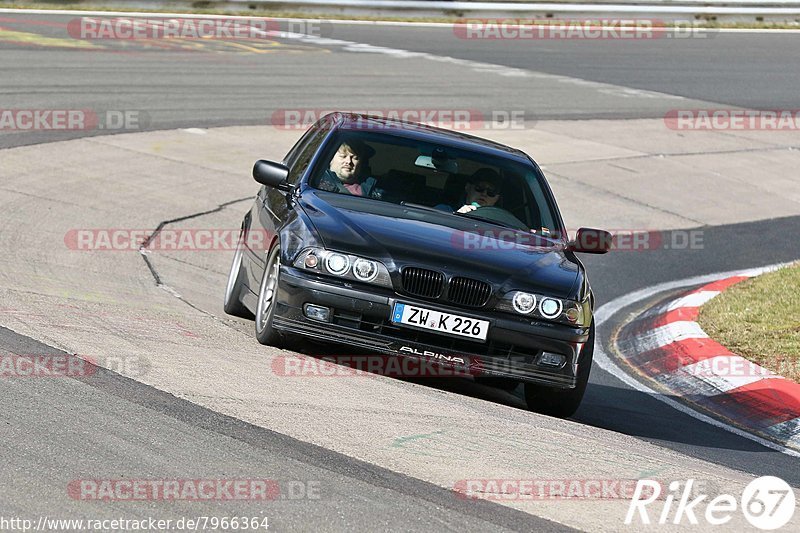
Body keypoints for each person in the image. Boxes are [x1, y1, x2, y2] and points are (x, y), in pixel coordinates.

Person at [435, 168, 502, 213]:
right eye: (479, 187)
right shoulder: (444, 211)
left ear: (496, 198)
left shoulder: (502, 225)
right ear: (468, 187)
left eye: (491, 192)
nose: (484, 193)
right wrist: (457, 217)